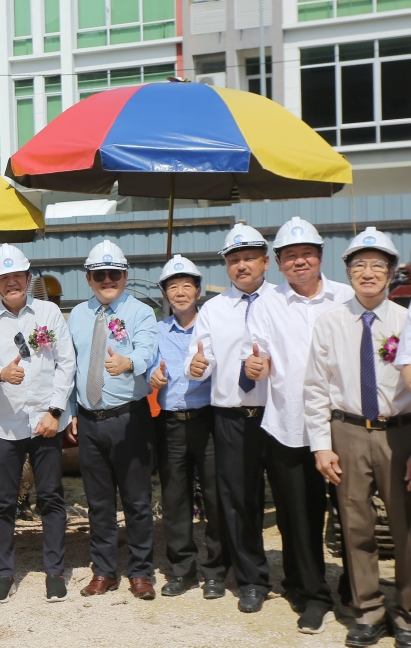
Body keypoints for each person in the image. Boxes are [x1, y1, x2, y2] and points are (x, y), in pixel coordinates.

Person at [246, 216, 354, 633]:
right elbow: (260, 356)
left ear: (320, 256)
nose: (299, 262)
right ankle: (312, 594)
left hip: (342, 424)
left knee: (349, 513)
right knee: (299, 515)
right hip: (289, 424)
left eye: (306, 253)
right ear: (277, 262)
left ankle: (352, 588)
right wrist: (255, 366)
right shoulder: (267, 304)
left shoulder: (345, 297)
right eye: (290, 256)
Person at [308, 228, 411, 648]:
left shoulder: (406, 321)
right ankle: (368, 610)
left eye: (378, 266)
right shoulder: (329, 322)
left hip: (399, 435)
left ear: (390, 273)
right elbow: (316, 386)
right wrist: (321, 443)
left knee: (405, 527)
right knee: (355, 526)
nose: (368, 273)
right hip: (347, 431)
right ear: (348, 272)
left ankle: (406, 613)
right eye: (359, 266)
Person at [0, 244, 76, 603]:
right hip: (6, 425)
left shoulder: (49, 312)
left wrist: (56, 411)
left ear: (28, 279)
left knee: (50, 497)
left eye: (17, 276)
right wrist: (3, 373)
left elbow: (67, 363)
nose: (11, 283)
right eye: (4, 278)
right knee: (2, 501)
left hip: (46, 423)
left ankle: (55, 571)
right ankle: (4, 572)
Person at [186, 223, 276, 613]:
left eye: (248, 258)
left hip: (280, 414)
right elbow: (200, 361)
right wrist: (196, 366)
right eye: (234, 260)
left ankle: (305, 579)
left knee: (290, 498)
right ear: (226, 265)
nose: (241, 266)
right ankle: (252, 579)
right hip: (233, 417)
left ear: (265, 262)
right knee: (239, 501)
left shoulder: (284, 300)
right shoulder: (214, 310)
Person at [67, 240, 158, 601]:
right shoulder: (76, 314)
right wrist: (72, 411)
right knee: (99, 502)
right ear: (89, 278)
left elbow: (148, 348)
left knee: (136, 501)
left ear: (125, 275)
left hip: (128, 419)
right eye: (100, 275)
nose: (108, 280)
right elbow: (70, 365)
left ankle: (140, 572)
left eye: (114, 274)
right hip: (89, 420)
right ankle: (104, 570)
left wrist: (129, 362)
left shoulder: (140, 312)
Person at [147, 255, 227, 599]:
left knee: (215, 496)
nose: (180, 292)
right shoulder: (157, 331)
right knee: (174, 498)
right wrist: (154, 376)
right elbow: (148, 367)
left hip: (208, 420)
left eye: (186, 285)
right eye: (172, 286)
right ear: (165, 294)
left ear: (198, 289)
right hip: (170, 423)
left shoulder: (213, 328)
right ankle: (183, 570)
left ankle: (216, 570)